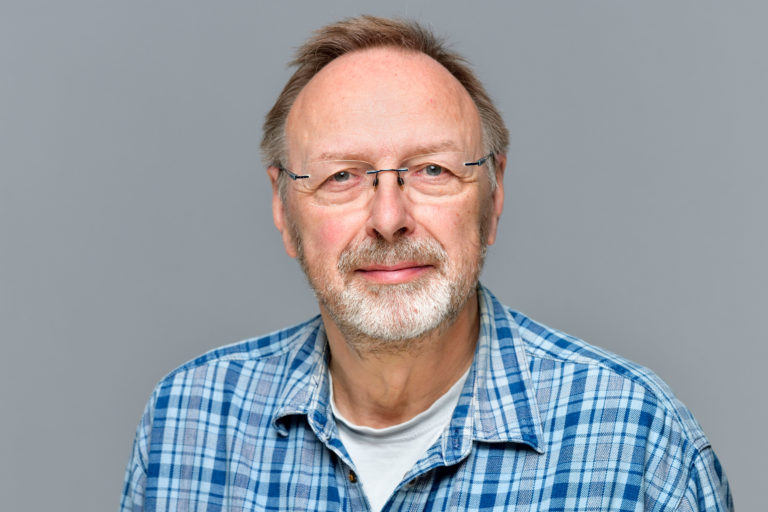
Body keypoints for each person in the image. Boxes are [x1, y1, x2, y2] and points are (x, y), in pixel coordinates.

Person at [121, 16, 733, 511]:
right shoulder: (187, 421)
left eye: (432, 170)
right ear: (284, 210)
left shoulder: (635, 438)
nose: (389, 218)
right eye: (343, 176)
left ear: (494, 195)